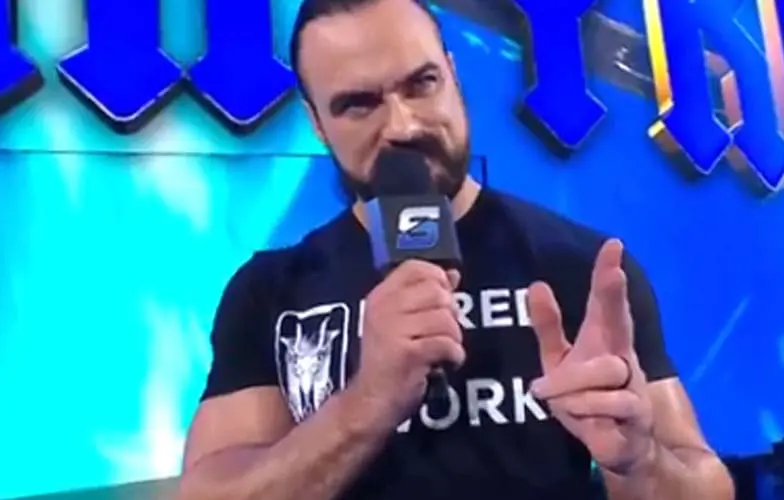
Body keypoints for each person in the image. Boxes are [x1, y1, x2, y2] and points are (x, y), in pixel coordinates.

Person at [177, 0, 734, 498]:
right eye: (358, 104)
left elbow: (705, 484)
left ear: (453, 74)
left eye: (421, 84)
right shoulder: (270, 291)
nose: (403, 126)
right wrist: (367, 402)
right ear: (317, 123)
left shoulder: (584, 268)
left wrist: (640, 461)